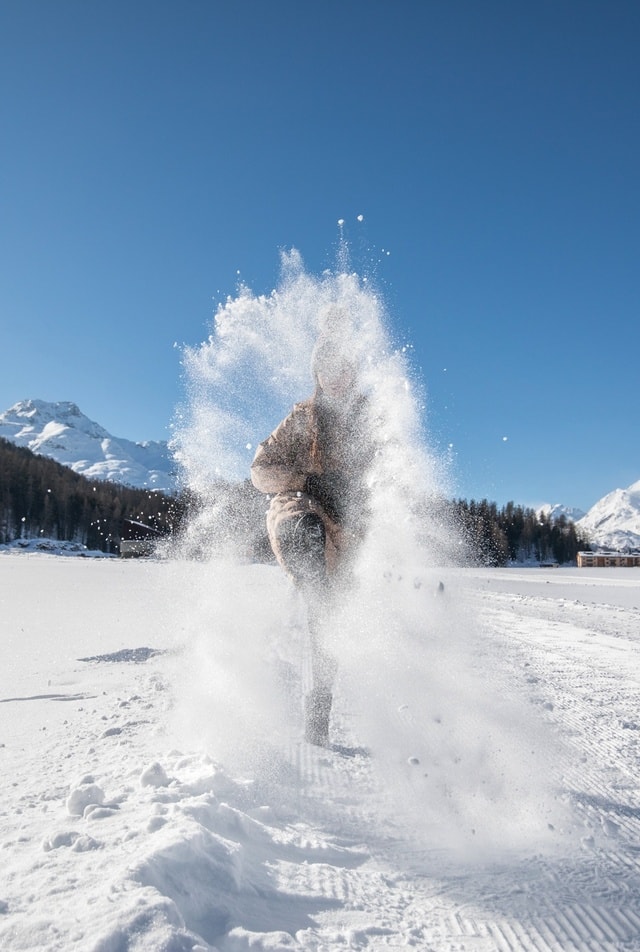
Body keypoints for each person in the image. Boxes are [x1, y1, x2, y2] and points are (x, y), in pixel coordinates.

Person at [250, 334, 372, 746]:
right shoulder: (303, 417)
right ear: (317, 374)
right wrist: (309, 480)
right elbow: (260, 471)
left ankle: (318, 713)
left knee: (329, 624)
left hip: (348, 529)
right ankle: (298, 596)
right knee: (304, 532)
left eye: (344, 367)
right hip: (299, 507)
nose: (335, 376)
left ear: (353, 372)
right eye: (327, 367)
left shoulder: (371, 420)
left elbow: (391, 479)